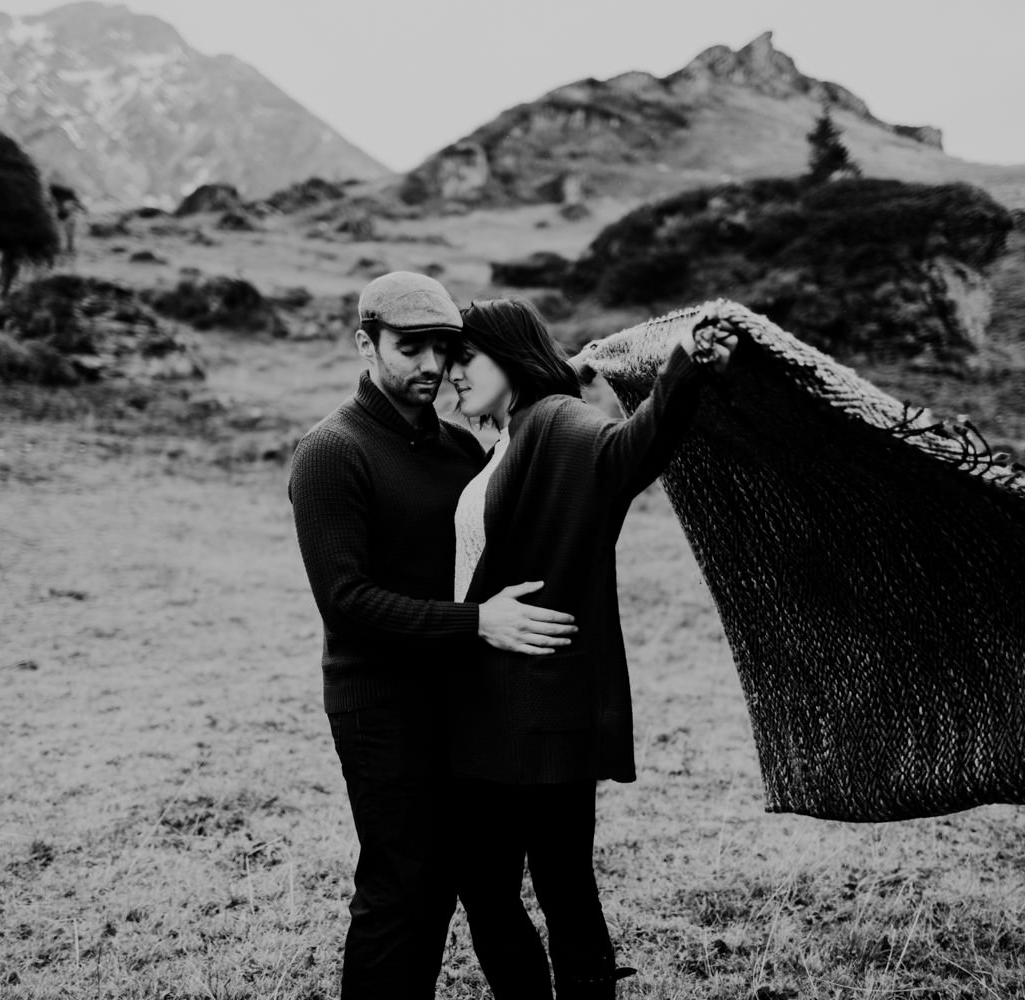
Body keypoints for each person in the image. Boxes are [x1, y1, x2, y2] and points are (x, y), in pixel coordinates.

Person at [287, 273, 580, 999]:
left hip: (464, 702)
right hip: (380, 704)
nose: (428, 365)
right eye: (408, 346)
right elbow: (346, 601)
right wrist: (477, 622)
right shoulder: (331, 452)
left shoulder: (458, 450)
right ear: (366, 344)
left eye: (442, 349)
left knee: (475, 886)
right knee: (401, 890)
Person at [444, 299, 732, 1000]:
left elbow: (625, 454)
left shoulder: (552, 422)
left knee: (535, 887)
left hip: (532, 706)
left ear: (509, 354)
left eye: (465, 360)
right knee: (523, 884)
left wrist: (684, 370)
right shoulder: (511, 436)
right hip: (501, 701)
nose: (452, 376)